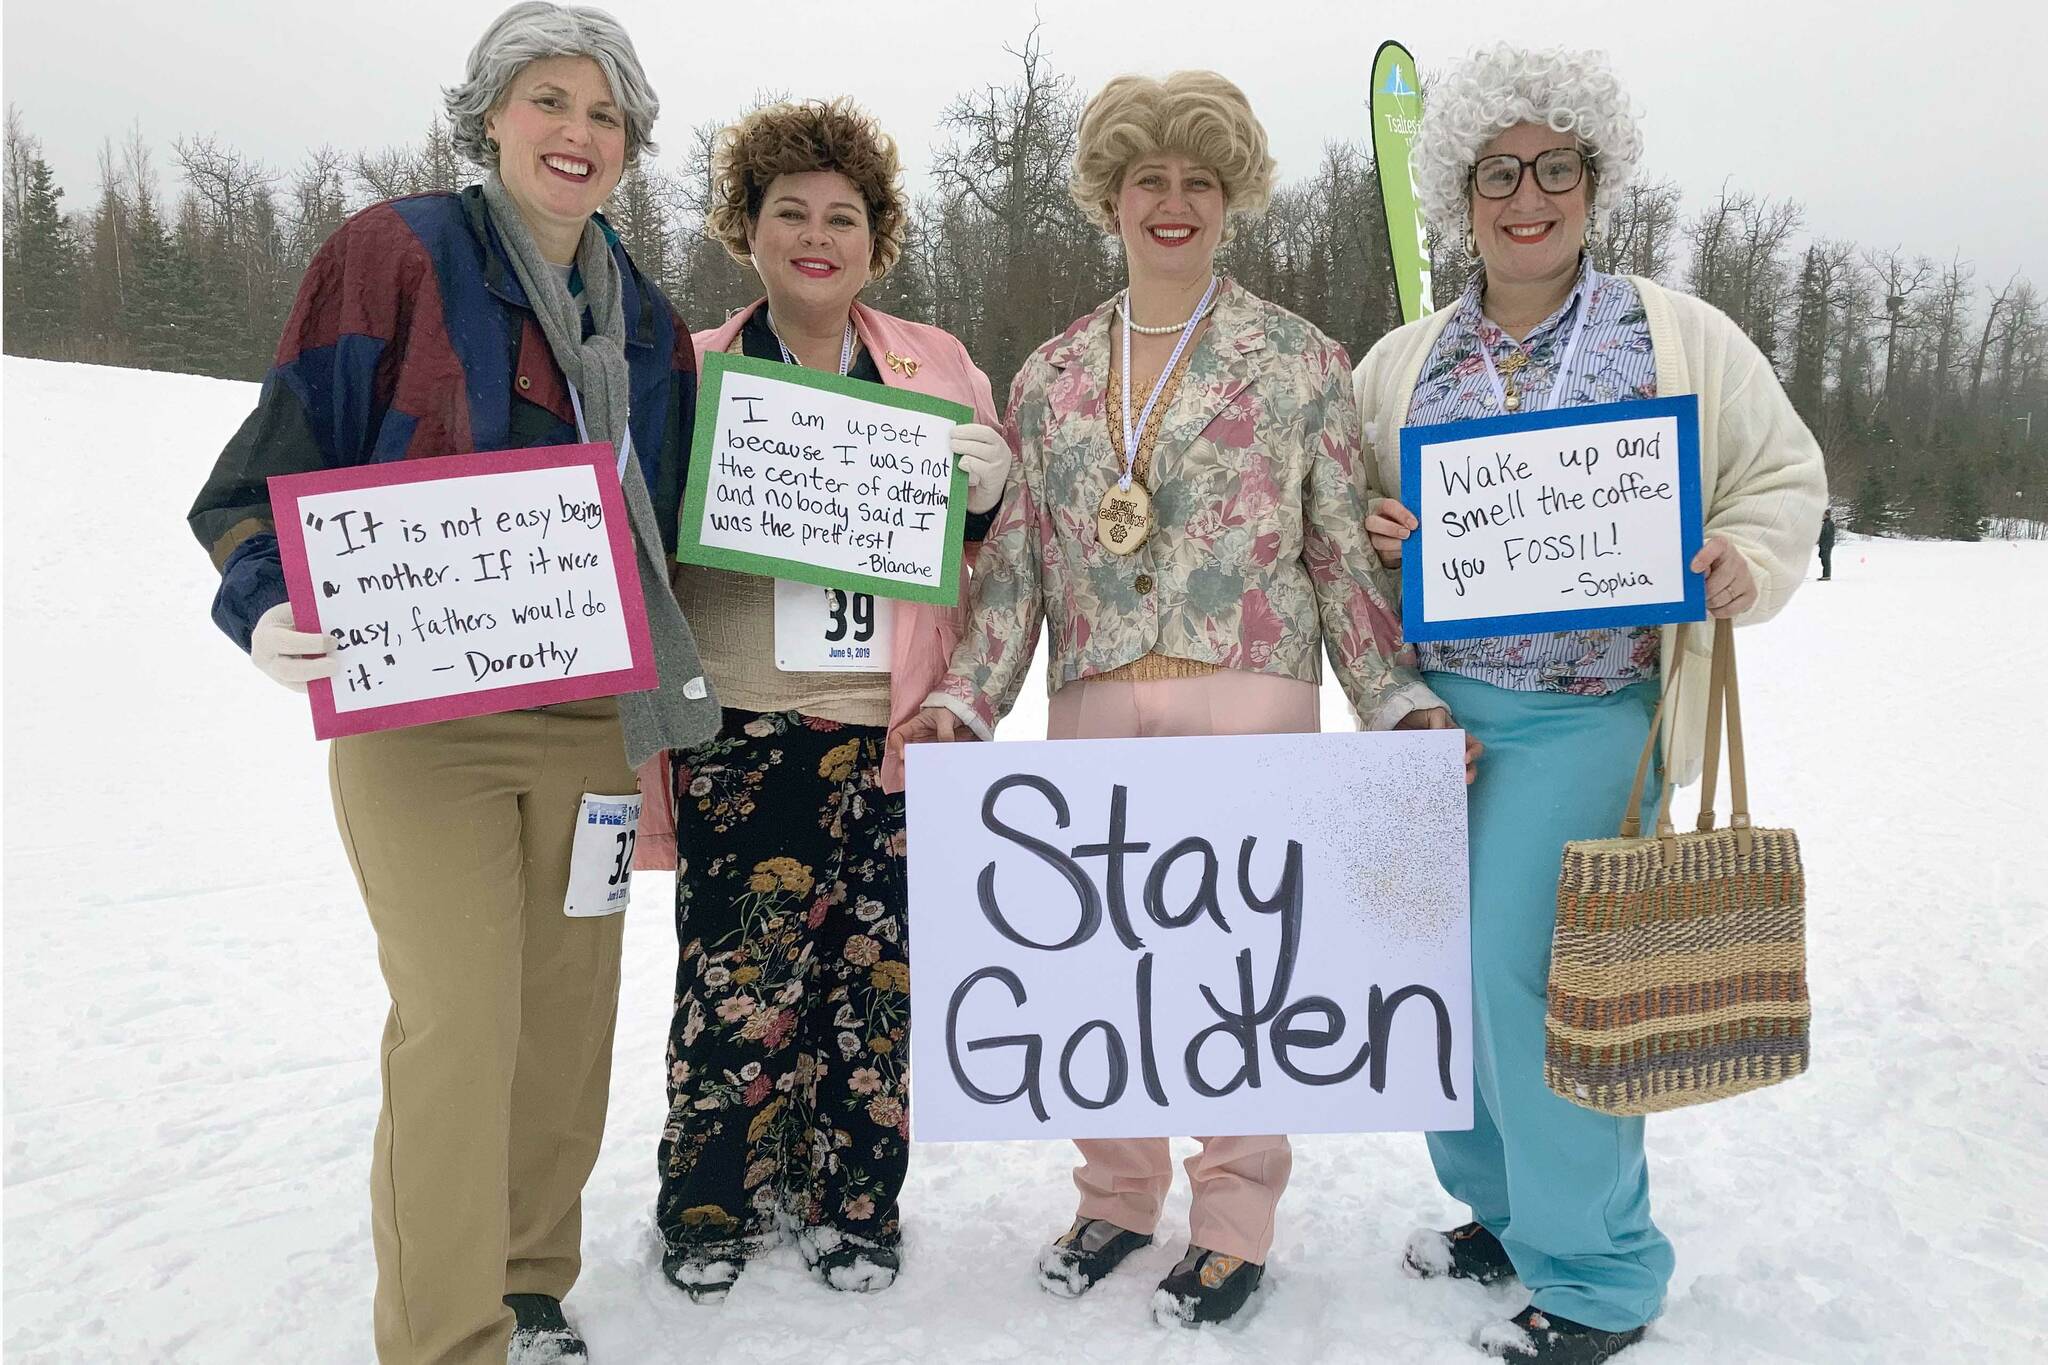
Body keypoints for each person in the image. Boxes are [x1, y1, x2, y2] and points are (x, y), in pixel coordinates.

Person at [186, 5, 718, 1359]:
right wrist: (263, 610)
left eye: (605, 115)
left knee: (565, 1023)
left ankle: (531, 1275)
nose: (578, 134)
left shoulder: (643, 320)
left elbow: (701, 513)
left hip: (592, 726)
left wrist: (955, 507)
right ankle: (444, 1334)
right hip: (425, 725)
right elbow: (257, 479)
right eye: (549, 101)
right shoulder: (398, 254)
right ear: (489, 115)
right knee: (461, 1024)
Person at [898, 70, 1466, 1329]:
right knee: (1101, 962)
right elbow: (1028, 563)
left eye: (1197, 184)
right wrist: (965, 700)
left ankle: (1232, 1216)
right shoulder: (1049, 374)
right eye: (1147, 181)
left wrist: (1395, 700)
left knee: (1235, 967)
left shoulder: (1295, 357)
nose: (1171, 204)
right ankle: (1113, 1194)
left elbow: (1333, 550)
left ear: (1230, 201)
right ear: (1109, 197)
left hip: (1248, 686)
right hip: (1097, 691)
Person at [1352, 44, 1826, 1363]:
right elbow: (1332, 519)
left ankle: (1603, 1269)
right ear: (1459, 190)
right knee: (1441, 982)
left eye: (1554, 167)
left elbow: (1781, 476)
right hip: (1437, 714)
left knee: (1539, 983)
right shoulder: (1405, 359)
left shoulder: (1673, 334)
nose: (1526, 196)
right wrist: (1375, 522)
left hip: (1588, 717)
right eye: (1497, 171)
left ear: (1593, 180)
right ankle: (1501, 1209)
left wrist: (1744, 556)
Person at [631, 97, 1012, 1303]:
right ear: (744, 227)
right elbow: (635, 547)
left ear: (874, 237)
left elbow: (988, 553)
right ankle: (712, 1197)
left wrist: (991, 490)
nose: (815, 235)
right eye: (787, 211)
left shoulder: (933, 362)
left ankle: (851, 1197)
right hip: (745, 717)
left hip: (893, 725)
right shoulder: (690, 368)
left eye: (841, 216)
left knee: (875, 973)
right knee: (742, 977)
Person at [1818, 509, 1836, 579]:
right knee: (1823, 557)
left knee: (1826, 559)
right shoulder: (1825, 523)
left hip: (1827, 543)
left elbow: (1827, 534)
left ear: (1827, 515)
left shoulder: (1829, 523)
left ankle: (1826, 575)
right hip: (1824, 543)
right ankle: (1825, 575)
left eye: (1823, 514)